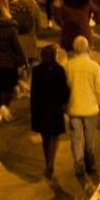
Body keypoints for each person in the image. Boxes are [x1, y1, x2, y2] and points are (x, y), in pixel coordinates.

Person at [65, 35, 100, 189]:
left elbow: (65, 87)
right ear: (87, 49)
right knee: (89, 138)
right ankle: (90, 162)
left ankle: (79, 164)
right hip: (90, 109)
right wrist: (97, 101)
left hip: (74, 108)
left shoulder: (68, 66)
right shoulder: (94, 66)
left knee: (76, 137)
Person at [29, 43, 71, 188]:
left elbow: (33, 93)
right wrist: (64, 103)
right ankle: (50, 163)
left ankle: (48, 161)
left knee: (45, 137)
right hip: (54, 109)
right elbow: (64, 90)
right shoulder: (59, 70)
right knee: (54, 137)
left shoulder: (36, 71)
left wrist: (32, 110)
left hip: (41, 109)